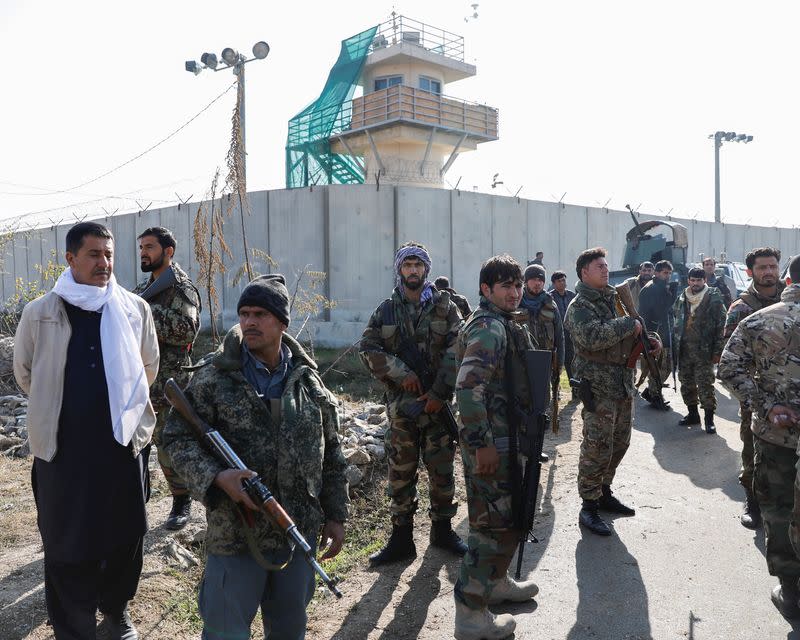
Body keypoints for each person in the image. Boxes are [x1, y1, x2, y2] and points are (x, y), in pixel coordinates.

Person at [161, 274, 348, 640]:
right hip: (235, 535)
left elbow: (332, 452)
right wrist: (218, 478)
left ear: (281, 322)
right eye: (244, 313)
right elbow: (177, 439)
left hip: (296, 531)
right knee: (226, 632)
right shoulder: (215, 376)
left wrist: (336, 514)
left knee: (288, 629)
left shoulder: (307, 380)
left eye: (260, 314)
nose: (248, 321)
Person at [13, 221, 159, 640]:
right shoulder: (41, 312)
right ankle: (74, 626)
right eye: (94, 254)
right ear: (70, 259)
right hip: (63, 448)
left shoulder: (134, 309)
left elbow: (148, 367)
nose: (104, 263)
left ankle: (115, 610)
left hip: (122, 443)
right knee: (64, 538)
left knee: (127, 532)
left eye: (109, 254)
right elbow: (26, 373)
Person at [359, 242, 467, 566]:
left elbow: (458, 349)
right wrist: (400, 371)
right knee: (401, 473)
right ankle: (401, 540)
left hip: (436, 406)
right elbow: (367, 348)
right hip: (403, 409)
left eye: (418, 265)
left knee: (442, 471)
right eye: (407, 265)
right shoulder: (385, 310)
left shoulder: (445, 307)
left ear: (426, 270)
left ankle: (443, 532)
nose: (413, 271)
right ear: (399, 270)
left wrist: (437, 393)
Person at [453, 254, 540, 640]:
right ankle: (470, 615)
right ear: (486, 289)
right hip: (494, 446)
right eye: (506, 285)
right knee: (490, 529)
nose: (515, 292)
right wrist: (482, 445)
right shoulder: (489, 327)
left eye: (518, 285)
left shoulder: (503, 323)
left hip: (508, 440)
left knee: (508, 521)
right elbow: (467, 390)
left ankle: (497, 583)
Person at [719, 254, 800, 620]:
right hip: (773, 436)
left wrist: (766, 406)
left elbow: (727, 367)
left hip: (775, 436)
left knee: (780, 510)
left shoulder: (759, 321)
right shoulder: (745, 312)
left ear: (786, 281)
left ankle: (791, 591)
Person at [565, 247, 657, 536]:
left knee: (620, 443)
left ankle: (604, 491)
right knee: (596, 447)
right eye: (599, 266)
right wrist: (630, 324)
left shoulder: (615, 300)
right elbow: (592, 337)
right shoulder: (580, 306)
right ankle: (588, 505)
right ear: (584, 273)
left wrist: (650, 341)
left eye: (606, 265)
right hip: (598, 389)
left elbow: (631, 331)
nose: (606, 270)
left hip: (622, 385)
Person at [133, 226, 201, 531]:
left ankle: (181, 501)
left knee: (168, 445)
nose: (144, 253)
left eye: (149, 247)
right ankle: (137, 502)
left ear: (168, 252)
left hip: (169, 383)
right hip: (138, 383)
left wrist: (147, 315)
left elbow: (187, 330)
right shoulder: (140, 290)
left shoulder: (182, 289)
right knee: (135, 446)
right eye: (141, 248)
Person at [724, 247, 784, 530]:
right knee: (753, 448)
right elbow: (730, 359)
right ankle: (753, 500)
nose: (769, 272)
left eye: (772, 266)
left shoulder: (791, 302)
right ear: (750, 272)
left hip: (791, 393)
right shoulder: (742, 308)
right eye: (762, 268)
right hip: (757, 394)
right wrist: (753, 395)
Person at [673, 267, 726, 432]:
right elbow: (675, 320)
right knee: (686, 383)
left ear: (705, 280)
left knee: (705, 385)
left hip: (704, 351)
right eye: (693, 280)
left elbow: (720, 327)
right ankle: (693, 415)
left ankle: (709, 420)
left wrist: (718, 352)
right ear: (689, 280)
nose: (696, 283)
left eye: (699, 280)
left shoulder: (714, 298)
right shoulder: (682, 297)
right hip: (684, 350)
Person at [520, 263, 564, 448]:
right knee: (521, 406)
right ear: (525, 281)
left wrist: (559, 366)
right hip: (520, 364)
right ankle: (521, 444)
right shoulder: (515, 301)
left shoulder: (550, 304)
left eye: (540, 280)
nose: (537, 283)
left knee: (541, 407)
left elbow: (560, 338)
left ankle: (536, 446)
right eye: (533, 279)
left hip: (545, 365)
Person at [638, 260, 677, 408]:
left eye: (669, 273)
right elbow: (660, 311)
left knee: (664, 366)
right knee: (662, 367)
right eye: (665, 273)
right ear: (657, 273)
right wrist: (671, 294)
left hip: (664, 332)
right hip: (656, 334)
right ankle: (654, 395)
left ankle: (651, 391)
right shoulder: (653, 289)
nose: (668, 276)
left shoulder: (660, 287)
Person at [550, 270, 577, 392]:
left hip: (570, 333)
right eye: (559, 281)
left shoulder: (572, 295)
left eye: (563, 280)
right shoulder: (549, 297)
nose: (562, 283)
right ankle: (556, 389)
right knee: (555, 362)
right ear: (554, 283)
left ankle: (575, 389)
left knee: (571, 361)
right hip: (555, 334)